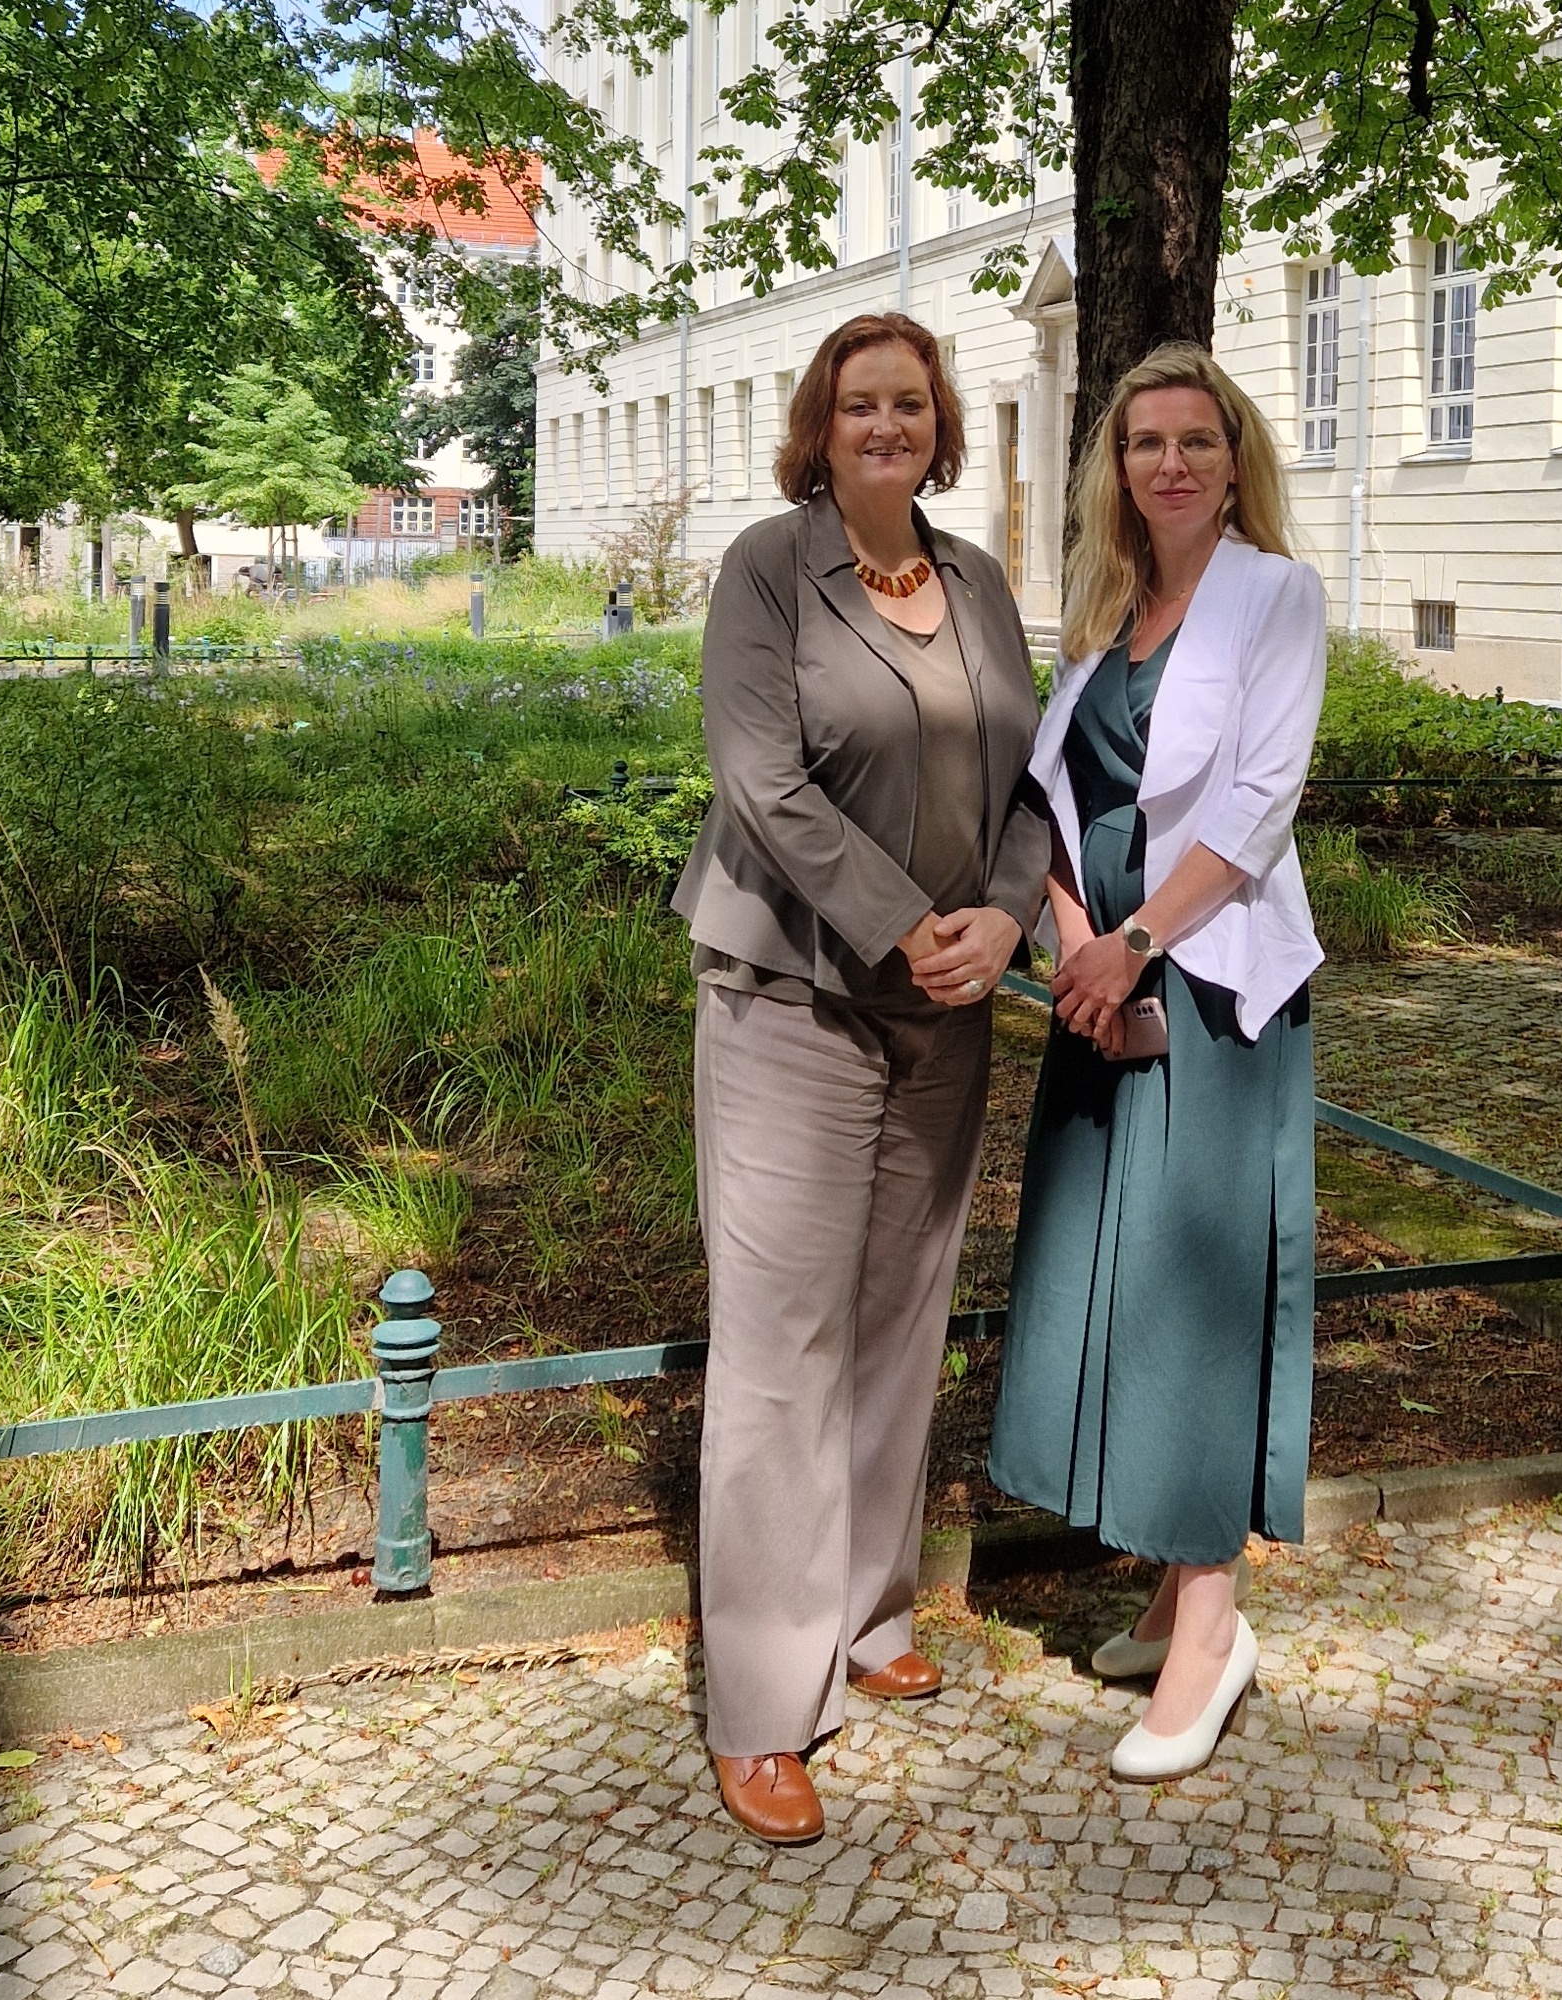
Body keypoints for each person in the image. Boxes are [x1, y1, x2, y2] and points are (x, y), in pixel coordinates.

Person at [671, 313, 1049, 1845]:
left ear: (938, 423)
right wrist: (909, 927)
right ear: (820, 426)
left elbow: (1036, 781)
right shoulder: (769, 568)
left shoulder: (977, 582)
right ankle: (763, 1704)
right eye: (858, 403)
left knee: (903, 1311)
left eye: (910, 401)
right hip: (794, 993)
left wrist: (1007, 921)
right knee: (781, 1337)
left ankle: (870, 1615)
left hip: (948, 1005)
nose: (886, 423)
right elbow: (758, 784)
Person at [988, 342, 1327, 1782]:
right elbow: (1057, 793)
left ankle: (1212, 1630)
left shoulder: (1275, 596)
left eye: (1198, 440)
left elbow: (1257, 803)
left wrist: (1134, 943)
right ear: (1116, 472)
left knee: (1195, 1293)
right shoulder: (1107, 610)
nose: (1172, 464)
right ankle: (1164, 1586)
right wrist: (1077, 946)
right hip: (1104, 976)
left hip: (1211, 981)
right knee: (1108, 1278)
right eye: (1146, 445)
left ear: (1235, 459)